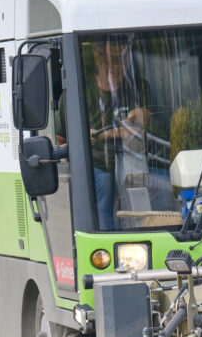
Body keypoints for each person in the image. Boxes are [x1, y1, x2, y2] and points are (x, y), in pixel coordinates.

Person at [56, 38, 149, 230]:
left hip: (134, 160)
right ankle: (105, 236)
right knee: (105, 187)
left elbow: (139, 127)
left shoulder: (137, 87)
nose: (117, 65)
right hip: (96, 165)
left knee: (160, 182)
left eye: (123, 60)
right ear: (98, 59)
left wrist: (99, 136)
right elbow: (61, 140)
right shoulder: (77, 91)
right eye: (111, 59)